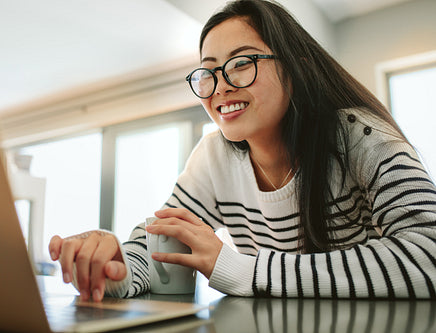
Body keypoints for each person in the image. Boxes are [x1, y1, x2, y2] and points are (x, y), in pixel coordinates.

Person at [49, 0, 436, 300]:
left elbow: (429, 255)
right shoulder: (213, 156)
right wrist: (116, 267)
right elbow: (162, 243)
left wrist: (243, 270)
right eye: (209, 71)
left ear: (295, 69)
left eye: (242, 63)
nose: (220, 86)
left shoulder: (359, 135)